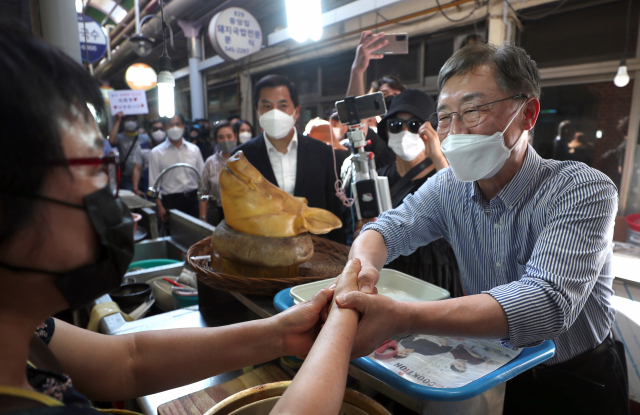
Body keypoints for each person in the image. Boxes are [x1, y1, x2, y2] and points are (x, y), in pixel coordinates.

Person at [0, 22, 341, 415]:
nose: (115, 206)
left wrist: (281, 334)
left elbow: (127, 360)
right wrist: (338, 334)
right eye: (96, 168)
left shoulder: (29, 331)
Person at [336, 42, 628, 415]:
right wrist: (362, 272)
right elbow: (387, 229)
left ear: (527, 113)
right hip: (494, 369)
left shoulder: (582, 189)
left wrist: (403, 316)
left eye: (473, 111)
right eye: (444, 117)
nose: (454, 132)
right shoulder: (448, 188)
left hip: (577, 378)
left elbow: (545, 303)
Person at [353, 89, 464, 297]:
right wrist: (365, 232)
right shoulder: (377, 177)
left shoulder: (447, 174)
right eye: (395, 125)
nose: (404, 132)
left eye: (414, 125)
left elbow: (463, 211)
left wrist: (438, 156)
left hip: (436, 276)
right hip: (390, 276)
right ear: (386, 131)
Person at [232, 75, 346, 244]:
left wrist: (339, 256)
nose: (274, 112)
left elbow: (334, 211)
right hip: (262, 252)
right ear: (257, 111)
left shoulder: (323, 153)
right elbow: (237, 212)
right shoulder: (242, 157)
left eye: (282, 105)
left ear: (297, 111)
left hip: (317, 252)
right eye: (266, 106)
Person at [149, 113, 205, 225]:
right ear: (165, 127)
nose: (174, 128)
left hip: (193, 199)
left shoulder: (194, 150)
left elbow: (203, 181)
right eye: (170, 125)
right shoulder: (156, 152)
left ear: (183, 125)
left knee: (196, 237)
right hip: (170, 202)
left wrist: (203, 213)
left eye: (177, 124)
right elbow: (153, 183)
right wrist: (159, 206)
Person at [200, 121, 237, 225]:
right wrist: (203, 218)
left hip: (241, 212)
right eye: (221, 137)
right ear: (216, 140)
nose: (225, 140)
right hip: (217, 213)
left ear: (235, 137)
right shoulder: (210, 162)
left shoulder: (245, 159)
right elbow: (203, 192)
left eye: (229, 136)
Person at [108, 113, 145, 191]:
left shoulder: (145, 138)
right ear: (124, 122)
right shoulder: (119, 137)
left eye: (133, 120)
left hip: (143, 177)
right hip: (127, 178)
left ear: (137, 122)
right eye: (128, 120)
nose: (130, 122)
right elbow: (111, 140)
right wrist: (118, 120)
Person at [132, 118, 165, 197]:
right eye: (155, 129)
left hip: (168, 186)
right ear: (150, 130)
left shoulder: (171, 147)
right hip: (149, 187)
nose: (159, 131)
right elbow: (137, 169)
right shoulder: (142, 147)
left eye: (161, 128)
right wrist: (135, 189)